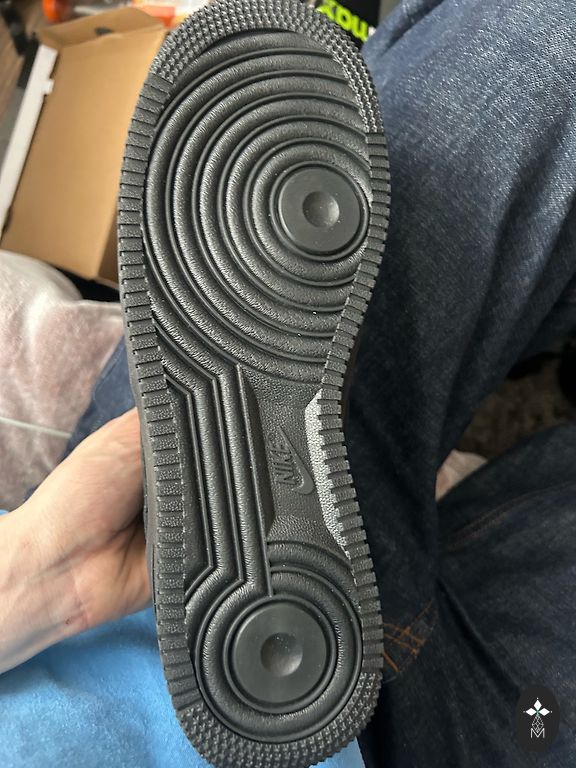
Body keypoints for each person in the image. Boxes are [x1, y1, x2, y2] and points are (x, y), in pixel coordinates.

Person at [1, 0, 575, 766]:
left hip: (165, 563)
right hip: (311, 685)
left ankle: (240, 440)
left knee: (551, 30)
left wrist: (39, 572)